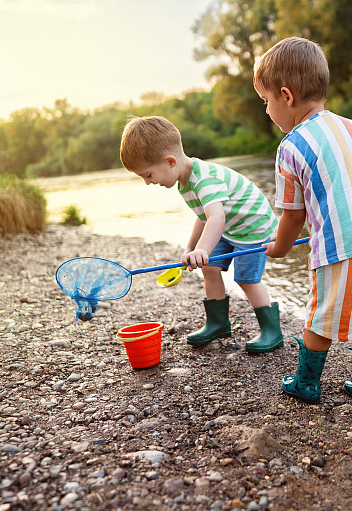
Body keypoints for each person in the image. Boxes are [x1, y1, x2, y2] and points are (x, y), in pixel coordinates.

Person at [253, 37, 352, 406]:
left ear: (286, 96)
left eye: (265, 101)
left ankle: (306, 383)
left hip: (343, 245)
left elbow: (293, 213)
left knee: (320, 316)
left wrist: (280, 247)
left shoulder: (291, 147)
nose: (266, 111)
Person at [119, 116, 283, 353]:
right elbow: (204, 216)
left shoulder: (204, 178)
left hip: (251, 227)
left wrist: (203, 249)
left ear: (170, 161)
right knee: (209, 268)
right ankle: (218, 323)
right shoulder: (183, 181)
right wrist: (191, 248)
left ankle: (272, 331)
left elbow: (216, 217)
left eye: (148, 175)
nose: (147, 182)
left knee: (247, 278)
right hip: (227, 226)